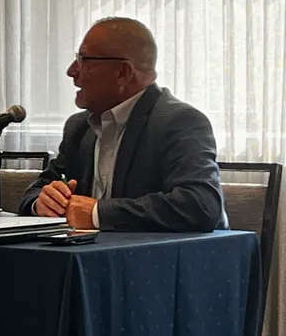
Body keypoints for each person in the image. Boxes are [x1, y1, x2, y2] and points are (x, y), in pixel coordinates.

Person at [20, 17, 226, 231]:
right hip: (91, 257)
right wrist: (42, 203)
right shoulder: (79, 127)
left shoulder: (180, 121)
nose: (72, 71)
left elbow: (201, 205)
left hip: (160, 260)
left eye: (84, 60)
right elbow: (36, 192)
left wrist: (97, 213)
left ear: (123, 73)